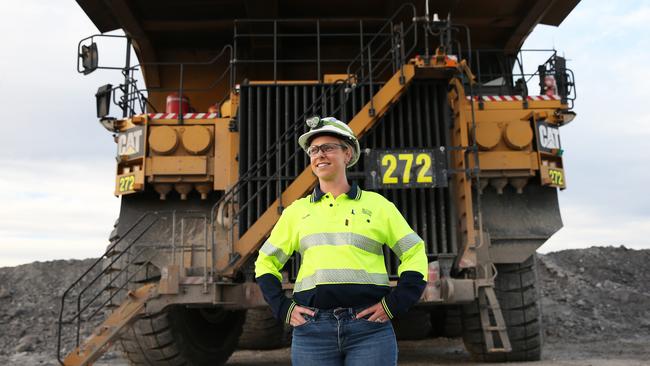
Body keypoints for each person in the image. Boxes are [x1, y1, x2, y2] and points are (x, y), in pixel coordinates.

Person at [254, 116, 428, 366]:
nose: (319, 155)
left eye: (328, 148)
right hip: (313, 331)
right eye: (314, 150)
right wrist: (283, 308)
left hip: (369, 329)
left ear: (347, 154)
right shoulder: (296, 212)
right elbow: (266, 261)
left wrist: (395, 303)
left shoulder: (378, 206)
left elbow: (414, 252)